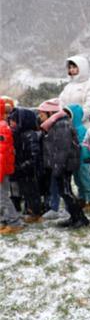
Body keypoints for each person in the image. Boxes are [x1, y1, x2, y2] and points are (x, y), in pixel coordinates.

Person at [39, 101, 87, 229]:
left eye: (42, 114)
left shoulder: (61, 125)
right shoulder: (56, 124)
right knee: (65, 191)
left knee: (66, 192)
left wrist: (57, 167)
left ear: (50, 113)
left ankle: (80, 218)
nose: (40, 117)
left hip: (64, 165)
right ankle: (76, 217)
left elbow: (62, 149)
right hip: (62, 165)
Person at [8, 107, 43, 224]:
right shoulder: (18, 134)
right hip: (22, 169)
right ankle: (30, 211)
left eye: (14, 120)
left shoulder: (30, 135)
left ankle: (36, 213)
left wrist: (23, 166)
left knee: (32, 192)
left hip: (29, 170)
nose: (11, 123)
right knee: (26, 192)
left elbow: (34, 155)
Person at [0, 98, 22, 235]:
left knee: (3, 197)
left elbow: (2, 152)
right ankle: (4, 220)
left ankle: (14, 222)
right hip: (2, 167)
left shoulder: (2, 127)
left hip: (2, 169)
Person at [59, 55, 90, 122]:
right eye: (70, 67)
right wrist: (64, 117)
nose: (71, 69)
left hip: (85, 126)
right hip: (69, 125)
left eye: (74, 67)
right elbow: (61, 103)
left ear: (82, 68)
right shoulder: (68, 87)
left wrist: (78, 118)